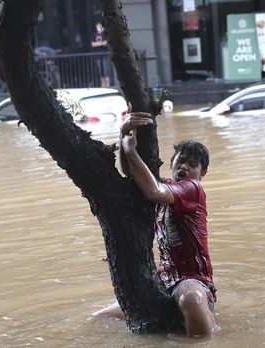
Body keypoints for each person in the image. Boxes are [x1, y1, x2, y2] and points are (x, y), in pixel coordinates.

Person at [94, 110, 217, 337]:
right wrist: (124, 135)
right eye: (180, 161)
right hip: (161, 282)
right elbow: (132, 174)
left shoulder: (193, 189)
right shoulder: (167, 187)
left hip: (192, 281)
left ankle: (208, 337)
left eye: (192, 164)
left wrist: (131, 148)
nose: (185, 168)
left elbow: (152, 190)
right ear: (171, 163)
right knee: (100, 319)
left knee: (191, 298)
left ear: (202, 173)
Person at [90, 21, 111, 87]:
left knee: (106, 69)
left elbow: (105, 43)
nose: (99, 27)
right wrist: (101, 43)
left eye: (100, 26)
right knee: (100, 69)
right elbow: (93, 44)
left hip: (105, 54)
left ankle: (107, 84)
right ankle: (103, 84)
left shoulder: (105, 34)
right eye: (98, 26)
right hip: (98, 55)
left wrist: (98, 44)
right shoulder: (94, 35)